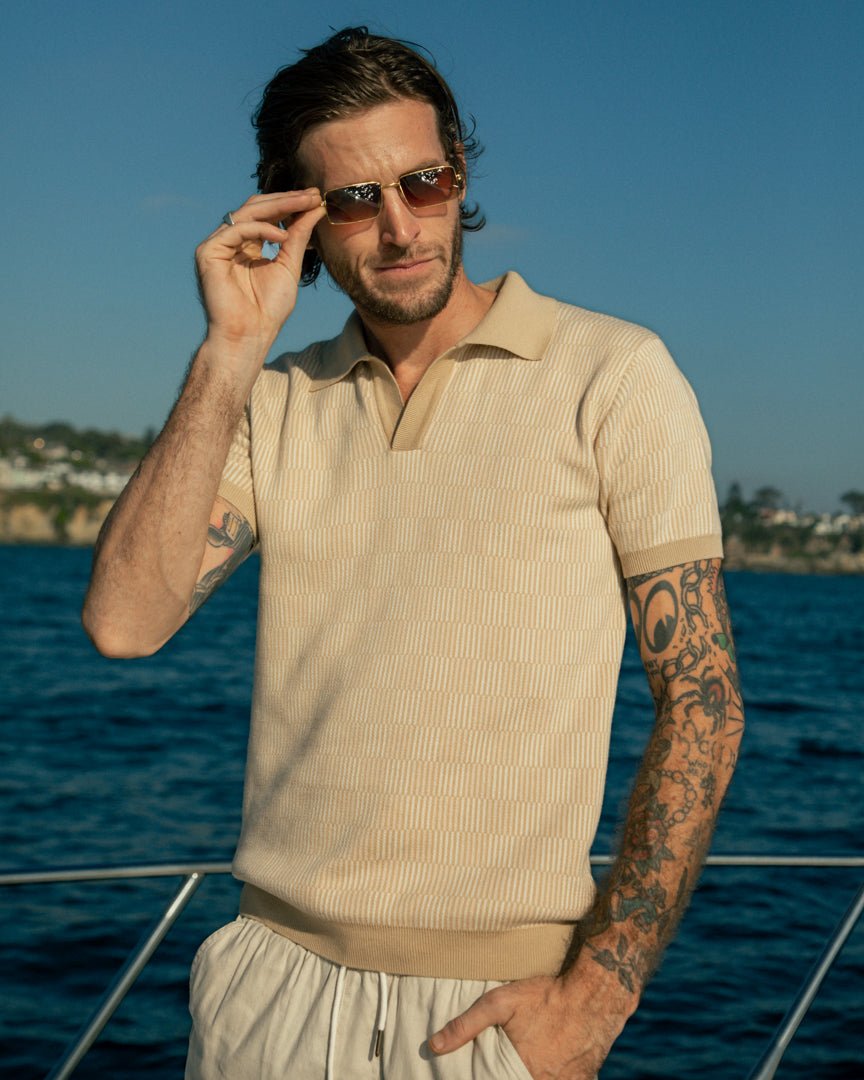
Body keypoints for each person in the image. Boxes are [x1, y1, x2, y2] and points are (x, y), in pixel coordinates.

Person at [82, 26, 744, 1080]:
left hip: (491, 1011)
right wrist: (230, 350)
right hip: (274, 988)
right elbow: (125, 623)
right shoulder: (273, 400)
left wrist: (598, 995)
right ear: (298, 217)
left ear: (459, 174)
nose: (400, 228)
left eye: (423, 183)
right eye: (354, 200)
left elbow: (702, 702)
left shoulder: (613, 374)